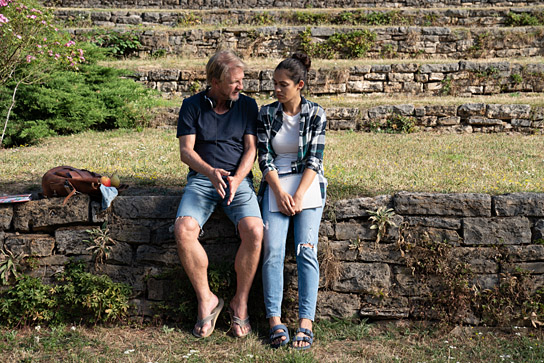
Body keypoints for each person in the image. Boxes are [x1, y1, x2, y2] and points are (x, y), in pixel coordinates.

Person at [174, 50, 263, 339]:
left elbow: (251, 150)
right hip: (203, 179)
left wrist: (237, 178)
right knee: (183, 228)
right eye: (234, 82)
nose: (240, 86)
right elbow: (186, 152)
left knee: (255, 230)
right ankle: (206, 299)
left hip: (238, 182)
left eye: (242, 80)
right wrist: (211, 172)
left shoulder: (248, 105)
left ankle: (240, 301)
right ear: (214, 81)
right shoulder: (191, 105)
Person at [257, 53, 327, 350]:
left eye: (282, 84)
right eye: (274, 84)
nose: (276, 90)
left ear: (299, 85)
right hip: (276, 185)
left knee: (305, 250)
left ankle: (305, 324)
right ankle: (275, 322)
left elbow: (315, 158)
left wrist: (297, 196)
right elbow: (264, 157)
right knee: (272, 250)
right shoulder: (266, 114)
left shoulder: (316, 114)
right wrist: (279, 192)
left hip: (307, 186)